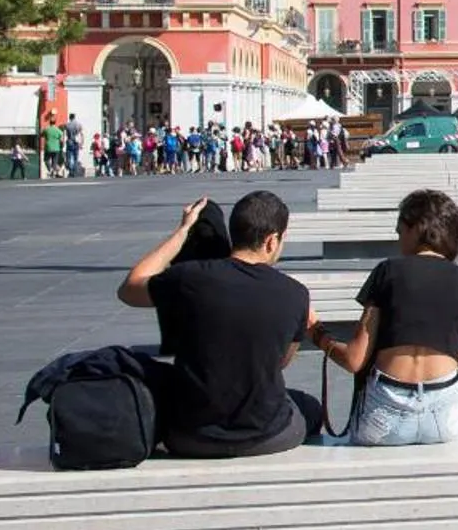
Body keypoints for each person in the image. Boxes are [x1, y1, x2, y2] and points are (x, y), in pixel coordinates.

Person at [116, 191, 324, 457]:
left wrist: (182, 231)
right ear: (272, 241)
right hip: (264, 433)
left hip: (189, 435)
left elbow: (130, 288)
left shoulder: (188, 279)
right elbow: (280, 361)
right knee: (309, 408)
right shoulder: (295, 294)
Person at [311, 190, 458, 445]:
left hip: (384, 413)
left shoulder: (387, 272)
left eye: (400, 231)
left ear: (417, 229)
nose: (398, 239)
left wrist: (317, 333)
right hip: (446, 418)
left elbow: (355, 360)